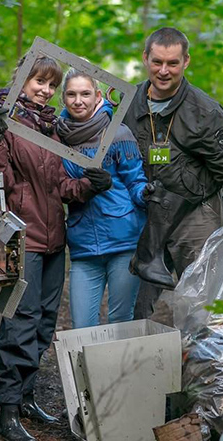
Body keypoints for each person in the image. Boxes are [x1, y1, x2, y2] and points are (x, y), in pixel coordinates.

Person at [0, 55, 111, 441]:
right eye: (38, 81)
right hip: (21, 240)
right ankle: (6, 412)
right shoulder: (4, 125)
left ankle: (26, 397)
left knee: (43, 323)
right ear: (21, 80)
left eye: (50, 84)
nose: (44, 89)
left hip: (56, 240)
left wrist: (90, 184)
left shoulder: (52, 130)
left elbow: (60, 187)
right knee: (19, 324)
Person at [123, 27, 223, 318]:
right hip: (149, 212)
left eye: (173, 63)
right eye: (157, 62)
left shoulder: (204, 112)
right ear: (145, 59)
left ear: (186, 62)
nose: (164, 71)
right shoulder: (129, 103)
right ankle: (151, 358)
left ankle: (207, 359)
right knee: (143, 303)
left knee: (202, 300)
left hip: (196, 214)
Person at [57, 69, 148, 329]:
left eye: (85, 94)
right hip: (83, 244)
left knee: (120, 320)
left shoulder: (118, 133)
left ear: (98, 96)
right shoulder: (58, 137)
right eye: (72, 94)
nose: (78, 101)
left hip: (123, 241)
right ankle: (89, 371)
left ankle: (117, 371)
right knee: (82, 325)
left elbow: (135, 180)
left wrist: (146, 195)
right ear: (63, 98)